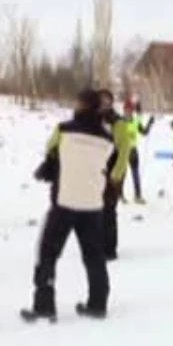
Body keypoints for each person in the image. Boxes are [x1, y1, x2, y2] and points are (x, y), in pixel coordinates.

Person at [23, 89, 118, 322]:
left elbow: (50, 149)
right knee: (94, 256)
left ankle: (44, 305)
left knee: (47, 254)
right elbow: (109, 161)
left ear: (80, 106)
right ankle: (98, 303)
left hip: (64, 201)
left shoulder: (64, 130)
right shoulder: (107, 138)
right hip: (93, 204)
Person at [96, 90, 133, 261]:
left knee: (109, 209)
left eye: (106, 101)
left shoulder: (118, 123)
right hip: (97, 170)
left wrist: (116, 174)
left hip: (114, 168)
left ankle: (110, 249)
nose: (103, 104)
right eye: (100, 101)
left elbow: (124, 150)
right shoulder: (92, 120)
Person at [120, 99, 154, 204]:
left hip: (133, 150)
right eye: (126, 110)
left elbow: (144, 132)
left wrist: (150, 123)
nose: (128, 112)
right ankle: (120, 195)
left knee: (135, 174)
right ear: (124, 110)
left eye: (130, 110)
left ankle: (138, 195)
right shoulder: (120, 122)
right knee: (122, 174)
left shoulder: (135, 121)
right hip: (122, 150)